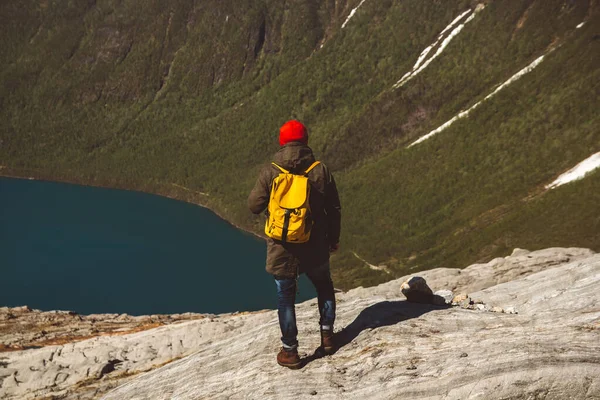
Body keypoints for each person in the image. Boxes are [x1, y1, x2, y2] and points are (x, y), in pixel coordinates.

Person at [248, 120, 342, 369]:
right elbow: (334, 210)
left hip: (282, 247)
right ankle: (328, 336)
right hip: (316, 245)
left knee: (285, 298)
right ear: (306, 140)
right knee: (324, 285)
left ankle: (290, 351)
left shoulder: (271, 171)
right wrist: (333, 239)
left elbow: (254, 206)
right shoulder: (320, 170)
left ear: (282, 142)